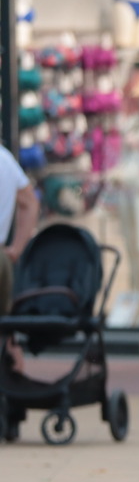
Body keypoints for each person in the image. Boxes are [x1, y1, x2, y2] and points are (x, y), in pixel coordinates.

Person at [0, 144, 38, 437]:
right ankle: (13, 409)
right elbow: (29, 202)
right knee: (5, 331)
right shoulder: (4, 158)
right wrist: (15, 249)